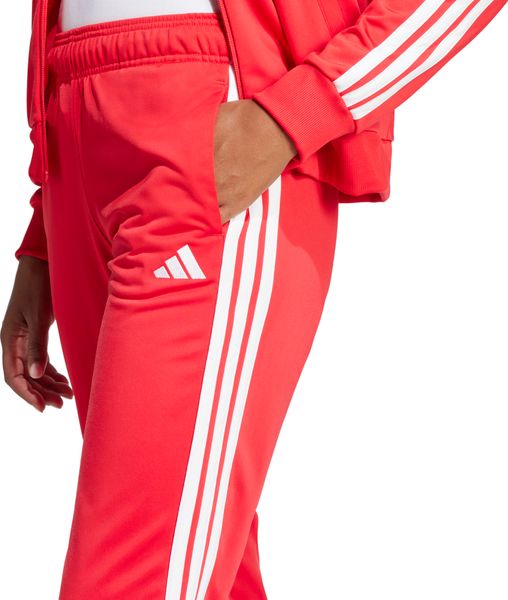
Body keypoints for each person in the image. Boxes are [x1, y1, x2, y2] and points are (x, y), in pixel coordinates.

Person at [1, 0, 505, 598]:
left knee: (133, 574)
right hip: (74, 126)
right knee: (193, 560)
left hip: (218, 117)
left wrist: (298, 112)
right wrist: (42, 238)